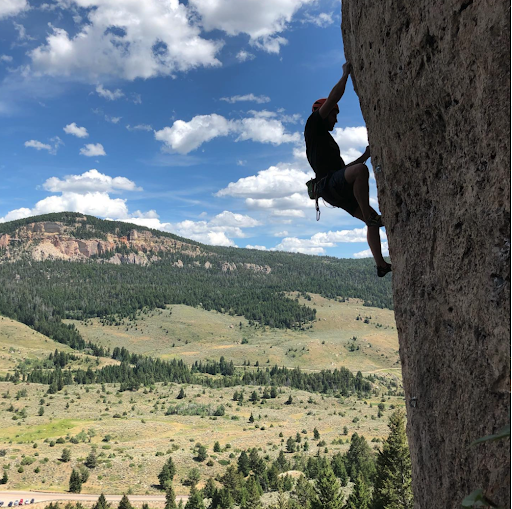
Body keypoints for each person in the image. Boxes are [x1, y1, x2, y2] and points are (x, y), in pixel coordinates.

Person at [304, 62, 391, 277]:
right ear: (323, 112)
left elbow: (343, 170)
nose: (336, 119)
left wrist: (365, 156)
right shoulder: (313, 125)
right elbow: (333, 97)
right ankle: (369, 215)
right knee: (361, 173)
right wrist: (345, 74)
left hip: (333, 187)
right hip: (328, 184)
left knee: (373, 219)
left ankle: (381, 264)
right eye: (333, 115)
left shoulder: (326, 141)